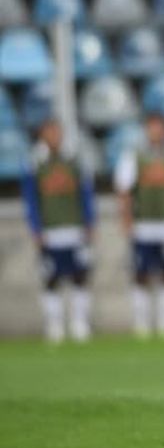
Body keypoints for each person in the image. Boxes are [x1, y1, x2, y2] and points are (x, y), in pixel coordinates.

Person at [115, 111, 164, 338]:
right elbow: (124, 191)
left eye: (160, 127)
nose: (156, 131)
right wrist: (127, 218)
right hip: (144, 224)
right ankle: (142, 322)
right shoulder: (134, 155)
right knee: (141, 273)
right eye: (152, 127)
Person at [21, 118, 96, 343]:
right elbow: (30, 199)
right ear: (42, 135)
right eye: (49, 131)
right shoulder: (34, 163)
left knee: (79, 276)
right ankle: (54, 324)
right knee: (50, 278)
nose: (54, 136)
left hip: (75, 227)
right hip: (50, 230)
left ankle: (79, 322)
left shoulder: (74, 161)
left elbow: (86, 195)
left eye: (57, 131)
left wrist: (89, 222)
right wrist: (35, 228)